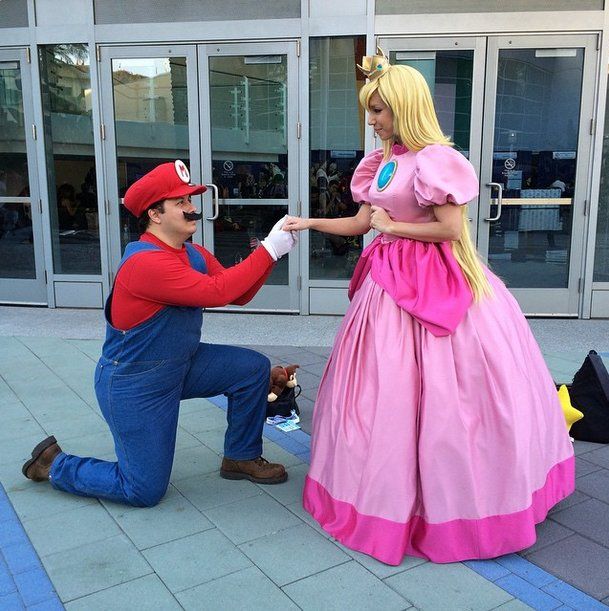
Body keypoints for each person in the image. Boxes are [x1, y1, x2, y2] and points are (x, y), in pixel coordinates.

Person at [284, 52, 574, 565]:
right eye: (370, 111)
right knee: (385, 393)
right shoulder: (382, 162)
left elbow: (450, 229)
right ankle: (387, 497)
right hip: (387, 289)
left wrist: (394, 229)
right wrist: (308, 224)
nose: (372, 121)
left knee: (450, 395)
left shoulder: (437, 159)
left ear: (406, 107)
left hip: (437, 286)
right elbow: (360, 224)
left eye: (379, 111)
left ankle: (461, 507)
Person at [22, 160, 297, 507]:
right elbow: (217, 292)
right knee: (143, 490)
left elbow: (238, 294)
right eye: (181, 202)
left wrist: (271, 255)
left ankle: (240, 456)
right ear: (155, 214)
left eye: (191, 200)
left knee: (251, 369)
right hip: (136, 385)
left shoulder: (191, 253)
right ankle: (56, 464)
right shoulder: (145, 263)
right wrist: (270, 249)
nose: (193, 208)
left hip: (182, 365)